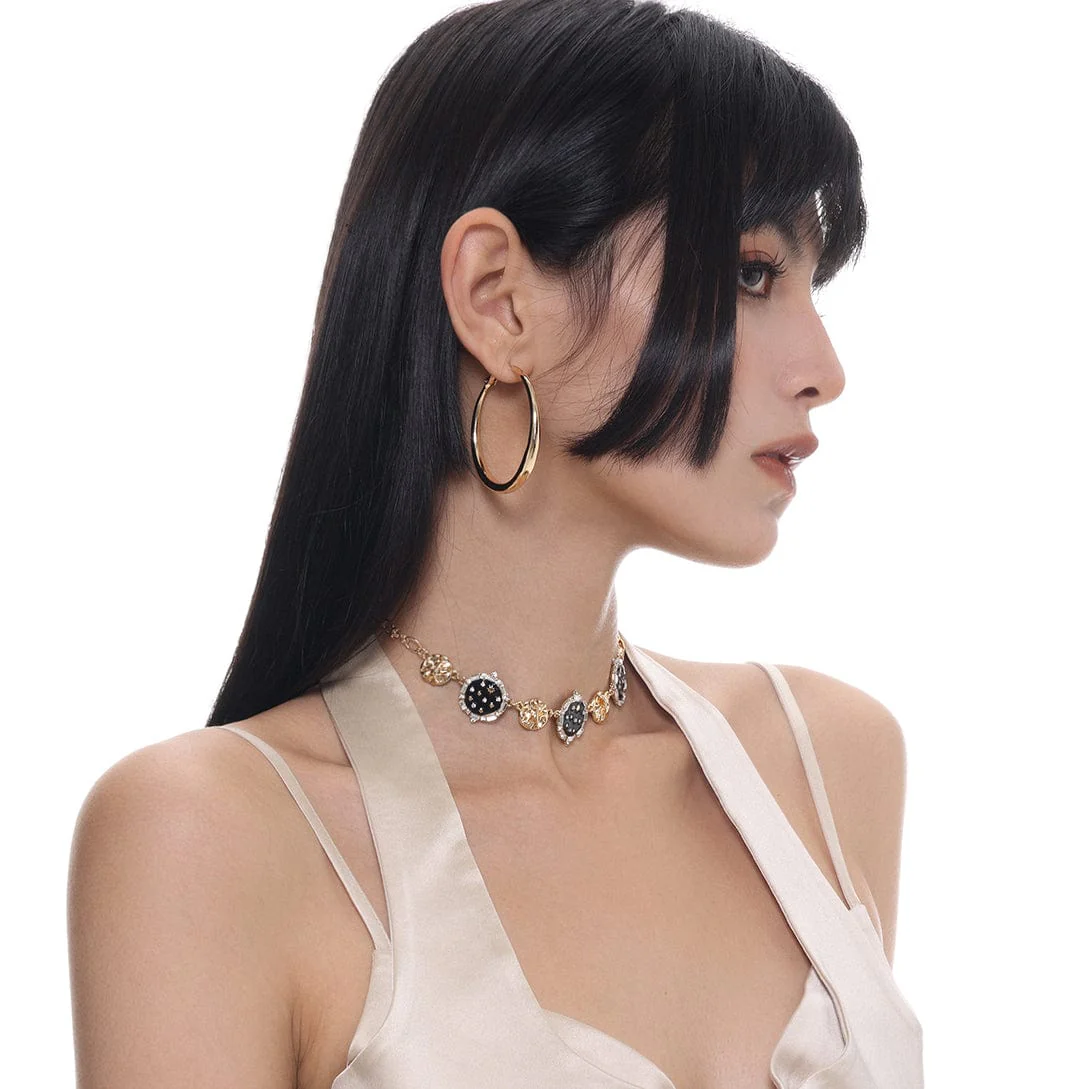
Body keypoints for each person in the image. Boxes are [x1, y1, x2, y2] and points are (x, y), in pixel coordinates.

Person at [67, 1, 924, 1087]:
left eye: (813, 284)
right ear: (499, 300)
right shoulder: (211, 836)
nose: (824, 370)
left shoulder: (827, 762)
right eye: (752, 273)